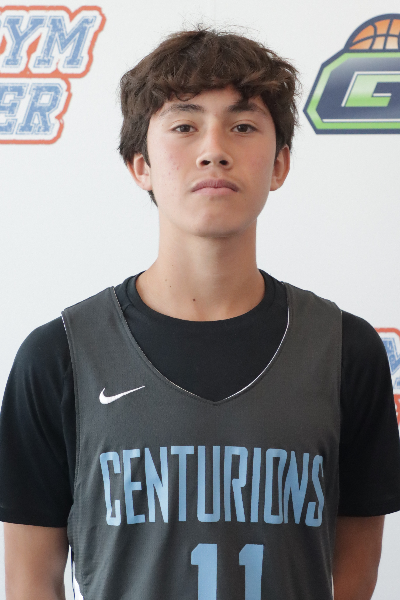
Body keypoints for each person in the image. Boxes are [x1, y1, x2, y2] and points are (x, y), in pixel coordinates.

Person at [1, 27, 400, 600]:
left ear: (280, 164)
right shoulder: (59, 356)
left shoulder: (345, 351)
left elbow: (356, 574)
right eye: (185, 126)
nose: (214, 149)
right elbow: (29, 581)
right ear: (140, 164)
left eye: (243, 126)